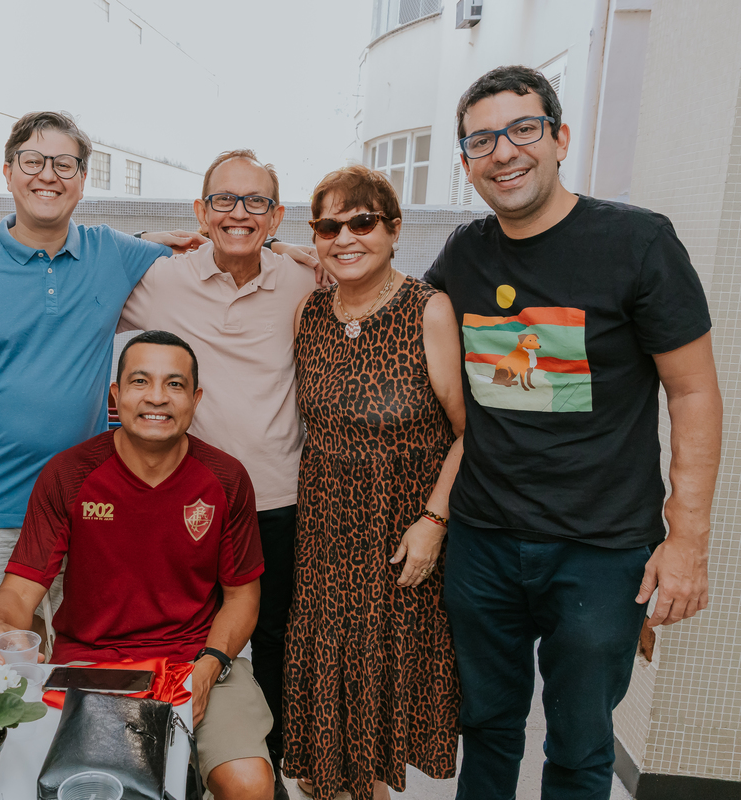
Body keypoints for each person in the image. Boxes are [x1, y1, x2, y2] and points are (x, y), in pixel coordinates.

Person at [423, 65, 721, 799]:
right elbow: (401, 308)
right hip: (484, 542)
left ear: (559, 138)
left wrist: (685, 542)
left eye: (523, 129)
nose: (505, 152)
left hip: (601, 549)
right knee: (486, 727)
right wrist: (286, 259)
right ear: (466, 165)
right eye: (482, 140)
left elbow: (694, 393)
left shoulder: (638, 242)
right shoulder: (465, 253)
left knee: (581, 745)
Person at [0, 111, 207, 653]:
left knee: (81, 654)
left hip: (86, 506)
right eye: (33, 161)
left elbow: (210, 247)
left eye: (65, 164)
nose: (49, 174)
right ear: (8, 172)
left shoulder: (112, 252)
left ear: (82, 179)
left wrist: (287, 250)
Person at [0, 331, 275, 800]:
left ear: (195, 399)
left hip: (198, 661)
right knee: (83, 785)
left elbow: (242, 597)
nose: (157, 397)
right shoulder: (68, 475)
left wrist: (210, 666)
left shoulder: (226, 478)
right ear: (115, 397)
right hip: (91, 666)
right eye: (140, 381)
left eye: (174, 385)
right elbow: (19, 590)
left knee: (248, 783)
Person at [118, 149, 318, 783]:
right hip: (191, 502)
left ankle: (271, 767)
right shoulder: (160, 279)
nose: (239, 213)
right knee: (187, 637)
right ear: (201, 211)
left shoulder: (303, 281)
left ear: (276, 215)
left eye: (255, 201)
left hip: (280, 496)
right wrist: (142, 239)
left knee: (282, 641)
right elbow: (84, 271)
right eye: (224, 201)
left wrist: (307, 255)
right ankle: (176, 766)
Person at [282, 165, 465, 800]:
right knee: (325, 704)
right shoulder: (310, 312)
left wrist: (435, 521)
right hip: (326, 534)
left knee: (378, 690)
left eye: (362, 222)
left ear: (392, 230)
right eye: (329, 226)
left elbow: (471, 431)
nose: (345, 237)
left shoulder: (427, 309)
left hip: (401, 536)